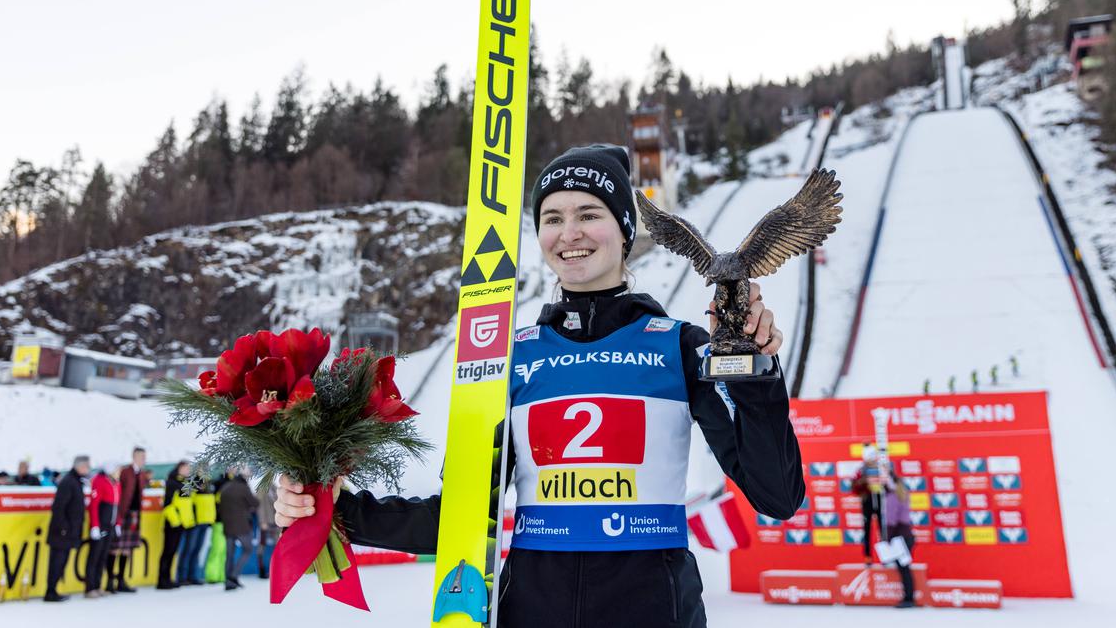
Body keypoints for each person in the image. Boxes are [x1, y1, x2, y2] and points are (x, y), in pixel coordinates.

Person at [275, 144, 805, 628]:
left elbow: (776, 495)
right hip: (533, 611)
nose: (569, 233)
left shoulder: (682, 348)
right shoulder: (509, 358)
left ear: (625, 231)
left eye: (589, 214)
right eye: (552, 218)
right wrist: (328, 510)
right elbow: (458, 516)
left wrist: (758, 374)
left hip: (654, 611)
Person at [45, 455, 90, 602]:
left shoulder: (75, 481)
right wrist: (64, 528)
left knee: (61, 562)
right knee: (57, 562)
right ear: (80, 466)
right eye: (87, 466)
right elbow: (58, 507)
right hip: (61, 533)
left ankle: (53, 590)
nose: (88, 469)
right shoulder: (68, 482)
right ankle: (50, 591)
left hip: (68, 532)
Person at [108, 447, 148, 593]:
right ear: (134, 457)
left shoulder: (142, 474)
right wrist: (118, 515)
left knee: (126, 549)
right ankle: (109, 581)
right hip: (123, 513)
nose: (143, 459)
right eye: (141, 456)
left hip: (135, 514)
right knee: (115, 548)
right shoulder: (125, 472)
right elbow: (118, 491)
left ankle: (121, 581)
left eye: (144, 456)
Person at [217, 468, 258, 590]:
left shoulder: (225, 487)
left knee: (229, 554)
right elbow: (255, 503)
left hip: (227, 524)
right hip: (241, 525)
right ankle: (234, 576)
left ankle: (228, 580)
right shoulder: (243, 488)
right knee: (248, 548)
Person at [157, 460, 194, 589]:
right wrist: (176, 521)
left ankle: (168, 578)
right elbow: (167, 505)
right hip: (172, 524)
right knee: (167, 551)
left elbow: (186, 504)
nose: (187, 470)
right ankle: (162, 580)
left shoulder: (184, 483)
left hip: (181, 524)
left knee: (173, 552)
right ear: (179, 468)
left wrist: (187, 521)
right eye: (185, 468)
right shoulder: (172, 483)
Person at [85, 465, 120, 598]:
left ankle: (98, 585)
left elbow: (117, 506)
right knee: (94, 556)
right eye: (117, 470)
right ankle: (90, 587)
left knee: (103, 557)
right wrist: (95, 525)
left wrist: (117, 523)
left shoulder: (116, 483)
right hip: (101, 526)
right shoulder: (100, 481)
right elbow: (94, 505)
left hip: (110, 526)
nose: (118, 473)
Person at [850, 443, 888, 564]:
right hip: (867, 502)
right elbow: (854, 487)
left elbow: (892, 485)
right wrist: (864, 481)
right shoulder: (861, 470)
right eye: (870, 458)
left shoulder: (881, 468)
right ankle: (868, 557)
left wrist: (884, 481)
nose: (872, 460)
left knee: (883, 530)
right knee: (867, 531)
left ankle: (885, 557)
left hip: (881, 502)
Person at [884, 477, 917, 608]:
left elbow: (891, 520)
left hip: (899, 536)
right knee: (904, 567)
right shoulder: (903, 495)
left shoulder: (892, 497)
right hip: (907, 535)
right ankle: (909, 597)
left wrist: (887, 538)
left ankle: (908, 598)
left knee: (903, 568)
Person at [178, 474, 215, 585]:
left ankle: (193, 576)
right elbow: (187, 501)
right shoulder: (192, 481)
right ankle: (182, 577)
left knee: (197, 549)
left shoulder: (210, 482)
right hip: (195, 521)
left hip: (205, 520)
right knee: (189, 549)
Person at [254, 480, 278, 578]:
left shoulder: (274, 487)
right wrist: (262, 521)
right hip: (265, 522)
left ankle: (277, 569)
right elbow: (259, 506)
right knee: (262, 546)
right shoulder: (261, 488)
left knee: (278, 545)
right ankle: (261, 570)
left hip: (275, 521)